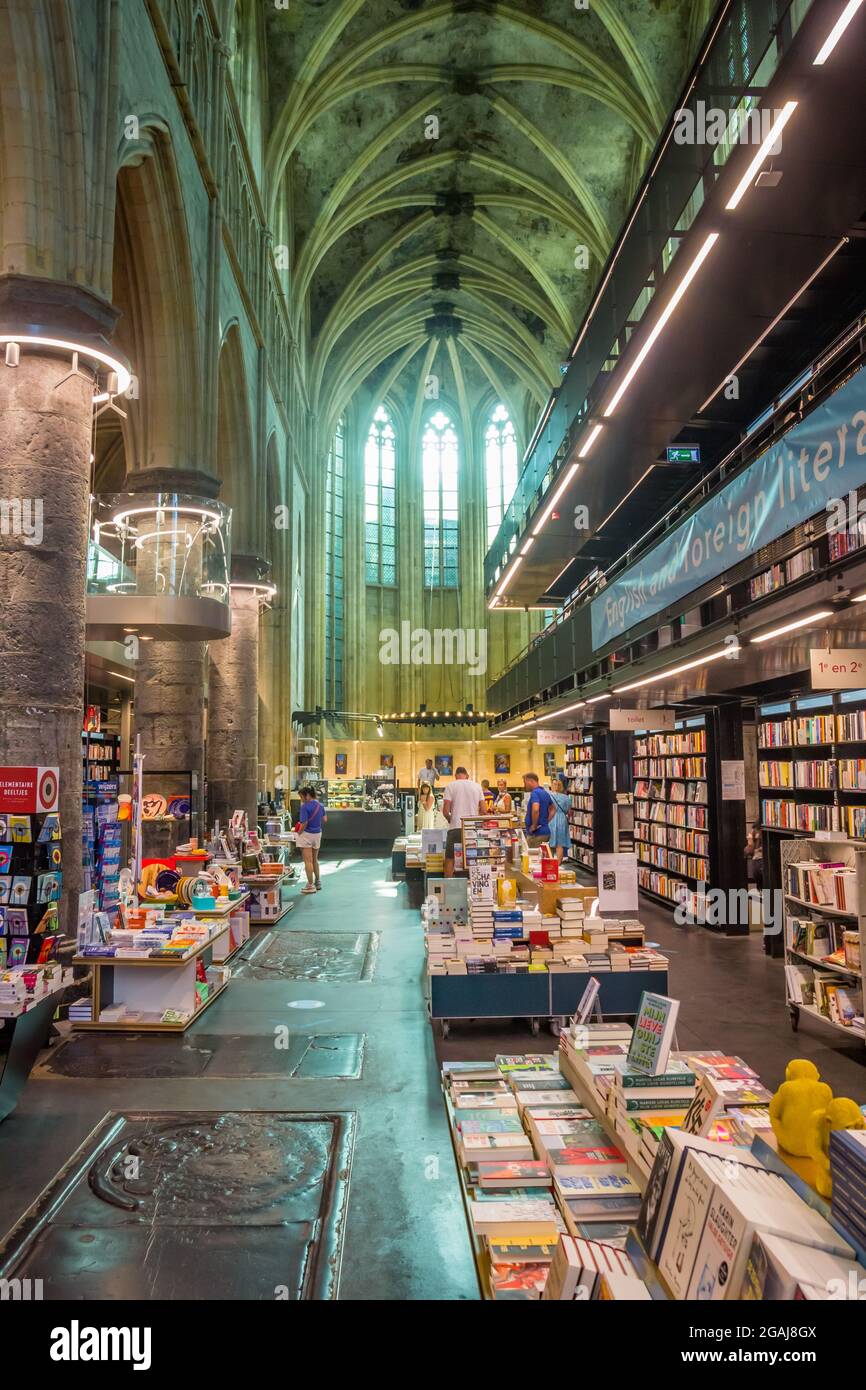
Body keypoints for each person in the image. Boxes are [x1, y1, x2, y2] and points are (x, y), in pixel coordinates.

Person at [442, 766, 486, 876]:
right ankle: (473, 887)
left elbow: (445, 811)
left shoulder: (450, 786)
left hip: (456, 827)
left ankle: (448, 887)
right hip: (472, 828)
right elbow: (484, 810)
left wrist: (450, 820)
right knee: (474, 858)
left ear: (456, 776)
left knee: (450, 859)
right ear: (467, 775)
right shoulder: (477, 786)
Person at [296, 786, 326, 893]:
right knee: (315, 860)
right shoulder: (320, 805)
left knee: (308, 861)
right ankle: (318, 882)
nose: (301, 799)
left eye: (301, 797)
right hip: (317, 834)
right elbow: (325, 819)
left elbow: (304, 823)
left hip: (307, 835)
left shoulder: (305, 807)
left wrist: (298, 832)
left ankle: (310, 885)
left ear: (307, 795)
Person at [523, 772, 553, 845]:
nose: (524, 785)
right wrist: (546, 821)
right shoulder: (545, 792)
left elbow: (536, 809)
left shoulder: (535, 793)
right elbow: (553, 809)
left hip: (536, 834)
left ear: (530, 781)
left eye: (525, 782)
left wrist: (534, 825)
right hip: (545, 831)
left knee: (533, 856)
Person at [547, 777, 571, 863]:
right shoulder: (566, 797)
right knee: (560, 844)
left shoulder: (548, 796)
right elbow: (568, 810)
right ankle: (558, 865)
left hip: (551, 818)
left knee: (549, 842)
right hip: (562, 819)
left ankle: (550, 863)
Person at [745, 821, 763, 893]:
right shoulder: (755, 831)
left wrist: (750, 842)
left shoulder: (758, 832)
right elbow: (748, 851)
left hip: (759, 864)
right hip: (758, 864)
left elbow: (749, 851)